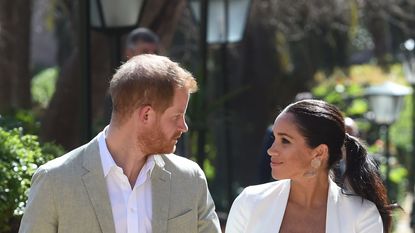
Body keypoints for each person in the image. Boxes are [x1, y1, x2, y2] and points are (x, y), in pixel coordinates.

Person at [19, 54, 221, 233]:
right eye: (177, 116)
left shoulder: (190, 180)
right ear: (147, 115)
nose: (184, 126)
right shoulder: (55, 181)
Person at [226, 99, 391, 233]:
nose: (271, 150)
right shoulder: (250, 202)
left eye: (285, 141)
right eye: (274, 139)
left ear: (319, 153)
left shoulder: (362, 215)